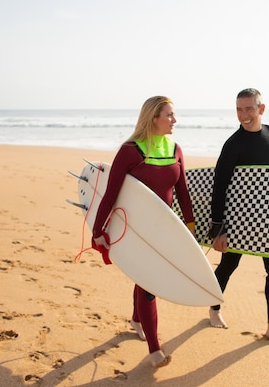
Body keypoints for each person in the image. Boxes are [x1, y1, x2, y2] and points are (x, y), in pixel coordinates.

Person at [92, 96, 196, 368]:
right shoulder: (130, 151)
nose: (175, 121)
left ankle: (137, 319)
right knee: (149, 283)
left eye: (174, 115)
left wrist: (190, 228)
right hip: (137, 231)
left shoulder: (175, 149)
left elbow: (183, 193)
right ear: (153, 118)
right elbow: (111, 193)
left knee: (144, 279)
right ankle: (154, 351)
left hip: (165, 230)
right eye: (169, 115)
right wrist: (97, 230)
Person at [207, 88, 269, 345]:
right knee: (228, 265)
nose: (244, 115)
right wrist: (218, 229)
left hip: (268, 219)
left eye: (249, 108)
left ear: (261, 108)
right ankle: (214, 308)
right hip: (238, 219)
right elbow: (219, 188)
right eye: (239, 109)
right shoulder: (233, 145)